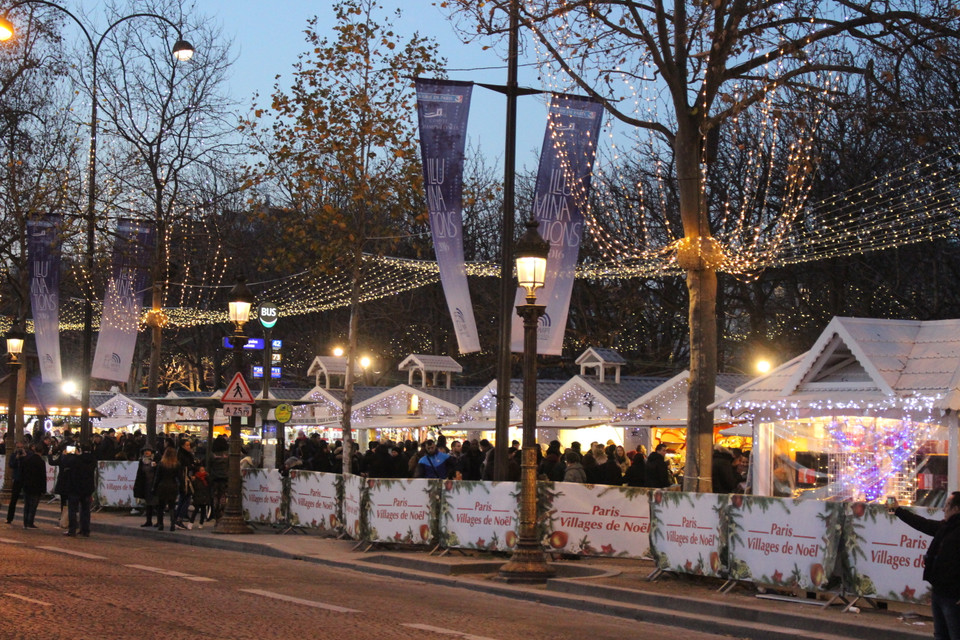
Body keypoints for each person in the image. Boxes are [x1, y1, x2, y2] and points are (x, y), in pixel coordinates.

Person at [890, 493, 960, 640]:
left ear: (956, 509)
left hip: (953, 595)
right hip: (939, 591)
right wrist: (898, 511)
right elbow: (923, 524)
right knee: (941, 634)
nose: (944, 509)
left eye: (947, 505)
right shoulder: (945, 528)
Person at [61, 442, 97, 537]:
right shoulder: (93, 459)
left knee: (72, 510)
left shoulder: (76, 459)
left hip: (75, 487)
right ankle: (85, 530)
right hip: (87, 488)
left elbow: (65, 463)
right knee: (86, 510)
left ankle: (72, 530)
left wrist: (66, 455)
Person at [153, 446, 182, 532]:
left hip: (162, 485)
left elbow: (157, 477)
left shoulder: (161, 464)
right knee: (172, 506)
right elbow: (180, 477)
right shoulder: (177, 464)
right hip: (173, 485)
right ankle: (172, 524)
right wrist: (182, 486)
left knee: (161, 506)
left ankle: (160, 524)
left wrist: (154, 487)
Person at [20, 443, 47, 529]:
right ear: (42, 451)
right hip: (36, 486)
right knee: (33, 505)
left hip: (27, 485)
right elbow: (43, 476)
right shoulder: (41, 462)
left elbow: (23, 472)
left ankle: (25, 522)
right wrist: (43, 489)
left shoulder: (27, 460)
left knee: (27, 505)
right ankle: (30, 521)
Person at [133, 445, 159, 527]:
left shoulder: (155, 460)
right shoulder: (142, 461)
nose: (146, 452)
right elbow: (139, 474)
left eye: (148, 450)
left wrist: (156, 465)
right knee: (148, 504)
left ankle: (159, 521)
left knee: (157, 503)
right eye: (145, 451)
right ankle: (148, 521)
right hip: (146, 485)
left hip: (154, 485)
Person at [5, 441, 27, 524]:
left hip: (25, 479)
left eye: (21, 447)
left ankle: (27, 520)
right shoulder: (13, 455)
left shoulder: (27, 455)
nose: (19, 449)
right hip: (17, 479)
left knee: (27, 499)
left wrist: (24, 455)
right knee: (13, 499)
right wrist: (16, 458)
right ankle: (9, 518)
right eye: (18, 448)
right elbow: (11, 465)